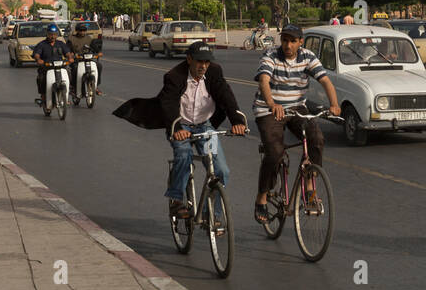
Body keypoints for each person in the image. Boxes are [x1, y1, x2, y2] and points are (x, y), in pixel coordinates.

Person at [113, 41, 248, 219]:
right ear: (189, 59)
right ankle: (176, 200)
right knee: (184, 155)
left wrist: (237, 121)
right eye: (199, 62)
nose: (203, 66)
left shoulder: (214, 72)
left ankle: (212, 216)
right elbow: (168, 104)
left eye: (207, 62)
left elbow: (226, 96)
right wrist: (176, 128)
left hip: (204, 125)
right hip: (180, 124)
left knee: (221, 170)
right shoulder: (175, 76)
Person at [252, 24, 341, 225]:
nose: (288, 45)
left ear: (301, 42)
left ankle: (310, 186)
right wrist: (272, 103)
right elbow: (264, 81)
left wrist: (334, 105)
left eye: (293, 41)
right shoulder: (271, 55)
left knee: (316, 139)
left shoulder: (307, 57)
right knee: (274, 152)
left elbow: (325, 81)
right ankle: (262, 197)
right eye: (285, 40)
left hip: (296, 108)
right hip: (269, 110)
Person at [31, 24, 74, 106]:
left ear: (57, 34)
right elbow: (36, 53)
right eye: (50, 34)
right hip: (47, 67)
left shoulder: (60, 43)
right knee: (41, 78)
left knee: (69, 72)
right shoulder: (42, 44)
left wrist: (70, 57)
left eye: (54, 34)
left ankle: (68, 92)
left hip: (60, 66)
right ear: (47, 34)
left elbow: (67, 52)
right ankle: (43, 97)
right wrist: (39, 59)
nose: (52, 36)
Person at [68, 21, 104, 98]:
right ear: (77, 31)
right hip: (77, 60)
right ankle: (73, 87)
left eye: (84, 30)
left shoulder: (89, 39)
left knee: (99, 66)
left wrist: (99, 53)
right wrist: (70, 54)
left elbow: (96, 48)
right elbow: (68, 49)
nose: (82, 32)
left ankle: (96, 85)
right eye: (81, 30)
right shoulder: (71, 38)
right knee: (74, 68)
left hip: (88, 59)